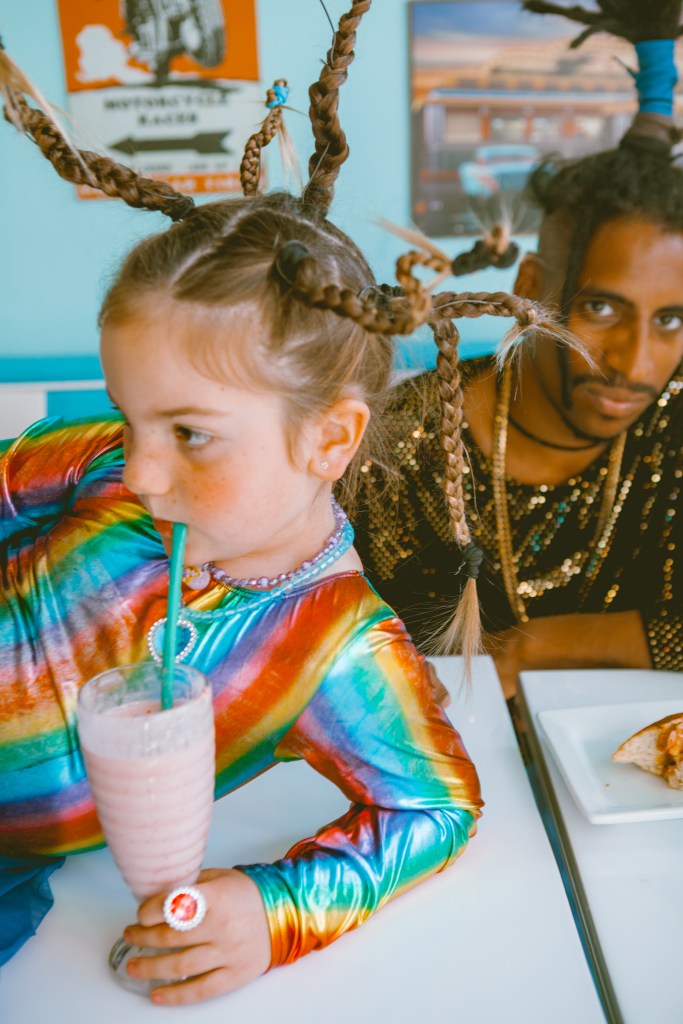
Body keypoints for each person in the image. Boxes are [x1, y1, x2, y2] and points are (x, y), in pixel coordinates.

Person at [0, 0, 559, 1004]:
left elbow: (436, 808)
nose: (141, 468)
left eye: (190, 433)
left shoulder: (335, 642)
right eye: (127, 416)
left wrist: (276, 911)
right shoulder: (108, 467)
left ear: (328, 440)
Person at [353, 0, 683, 698]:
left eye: (670, 320)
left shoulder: (674, 419)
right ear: (529, 287)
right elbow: (354, 653)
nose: (634, 364)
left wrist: (533, 646)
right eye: (600, 308)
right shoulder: (405, 447)